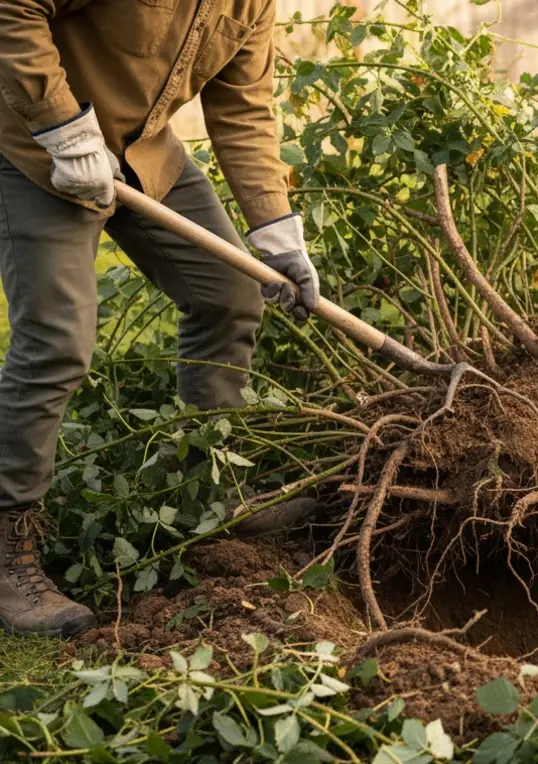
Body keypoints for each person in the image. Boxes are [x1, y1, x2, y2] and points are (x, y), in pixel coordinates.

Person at [0, 0, 319, 637]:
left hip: (141, 155)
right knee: (58, 340)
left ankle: (209, 494)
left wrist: (276, 228)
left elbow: (245, 107)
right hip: (30, 144)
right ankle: (7, 551)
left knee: (231, 293)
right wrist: (63, 127)